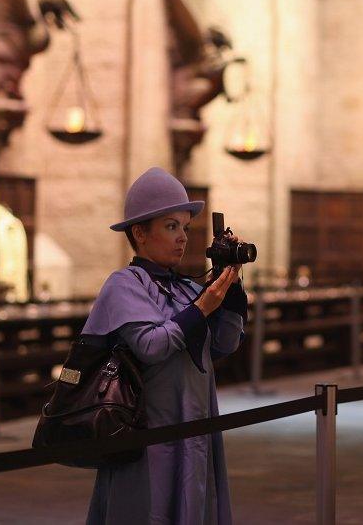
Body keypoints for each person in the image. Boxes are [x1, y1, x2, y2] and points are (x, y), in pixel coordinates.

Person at [83, 167, 247, 524]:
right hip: (148, 434)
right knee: (148, 509)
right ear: (140, 232)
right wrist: (204, 307)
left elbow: (223, 344)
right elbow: (151, 346)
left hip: (194, 423)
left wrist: (232, 291)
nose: (183, 238)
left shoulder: (187, 287)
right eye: (171, 226)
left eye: (185, 228)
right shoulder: (125, 284)